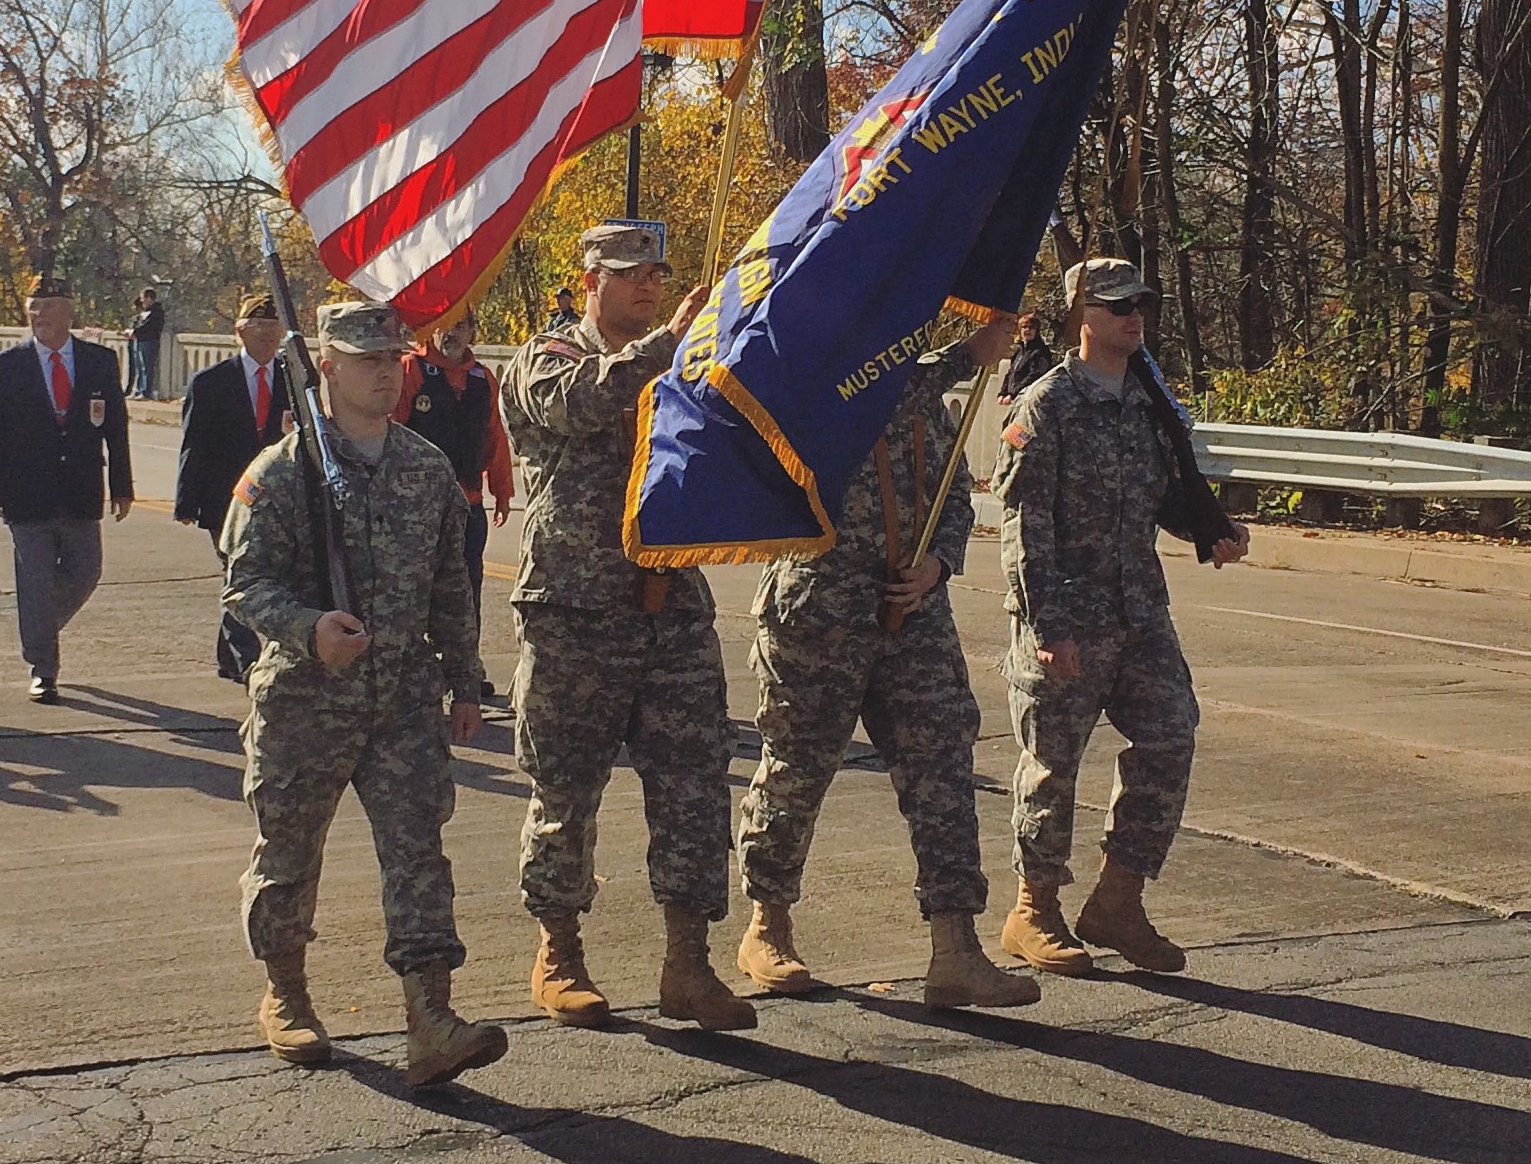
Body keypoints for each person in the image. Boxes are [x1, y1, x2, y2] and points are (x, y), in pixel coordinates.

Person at [224, 300, 506, 1088]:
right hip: (306, 698)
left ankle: (431, 1018)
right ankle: (285, 992)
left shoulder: (423, 468)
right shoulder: (280, 473)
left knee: (419, 854)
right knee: (288, 853)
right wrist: (309, 625)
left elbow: (454, 584)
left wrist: (463, 678)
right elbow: (243, 585)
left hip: (403, 699)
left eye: (392, 358)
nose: (384, 372)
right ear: (326, 366)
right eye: (365, 359)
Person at [733, 315, 1040, 1010]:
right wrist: (965, 353)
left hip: (914, 618)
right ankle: (767, 924)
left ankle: (954, 947)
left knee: (941, 770)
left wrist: (937, 563)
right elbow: (871, 396)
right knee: (796, 771)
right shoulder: (816, 390)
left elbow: (955, 498)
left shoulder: (927, 407)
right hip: (818, 611)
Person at [501, 224, 754, 1033]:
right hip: (575, 612)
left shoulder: (682, 361)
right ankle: (559, 950)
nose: (645, 287)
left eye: (656, 275)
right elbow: (582, 404)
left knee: (691, 787)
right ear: (589, 280)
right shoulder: (545, 358)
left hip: (671, 604)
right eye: (629, 274)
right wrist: (666, 344)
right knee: (566, 789)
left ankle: (687, 960)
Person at [996, 257, 1251, 977]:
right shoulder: (1043, 407)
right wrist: (1045, 626)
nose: (1131, 316)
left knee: (1171, 733)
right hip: (1066, 614)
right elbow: (1022, 528)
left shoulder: (1148, 402)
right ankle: (1032, 908)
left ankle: (1116, 900)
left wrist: (1211, 530)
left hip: (1139, 609)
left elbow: (1162, 495)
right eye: (1115, 306)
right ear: (1080, 315)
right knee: (1051, 767)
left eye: (1139, 302)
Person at [0, 273, 133, 702]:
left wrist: (122, 485)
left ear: (69, 310)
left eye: (48, 305)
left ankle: (36, 628)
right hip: (25, 496)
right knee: (37, 581)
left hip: (81, 491)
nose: (39, 314)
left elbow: (116, 428)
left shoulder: (100, 361)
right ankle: (43, 667)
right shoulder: (7, 367)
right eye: (33, 306)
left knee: (86, 572)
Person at [395, 310, 513, 700]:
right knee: (415, 590)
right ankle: (414, 671)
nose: (453, 333)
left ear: (473, 332)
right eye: (445, 325)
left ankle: (466, 670)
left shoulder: (482, 378)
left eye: (461, 325)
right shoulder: (410, 369)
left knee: (466, 589)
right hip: (416, 507)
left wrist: (503, 490)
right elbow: (391, 431)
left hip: (468, 504)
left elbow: (494, 435)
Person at [175, 292, 292, 682]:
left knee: (254, 573)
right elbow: (194, 444)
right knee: (238, 570)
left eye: (273, 328)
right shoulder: (210, 383)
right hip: (224, 499)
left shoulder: (292, 378)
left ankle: (228, 655)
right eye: (258, 327)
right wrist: (187, 501)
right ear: (240, 332)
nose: (266, 335)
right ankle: (247, 660)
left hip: (276, 498)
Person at [998, 312, 1058, 405]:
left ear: (1036, 330)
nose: (1027, 330)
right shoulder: (1019, 351)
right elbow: (1011, 373)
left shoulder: (1041, 351)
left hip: (1030, 401)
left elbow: (1035, 376)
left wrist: (1013, 394)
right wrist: (1003, 393)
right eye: (1024, 327)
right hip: (1015, 401)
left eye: (1031, 327)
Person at [130, 288, 166, 400]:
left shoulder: (157, 312)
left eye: (143, 299)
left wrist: (136, 331)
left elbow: (150, 327)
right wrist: (132, 330)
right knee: (139, 367)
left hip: (150, 341)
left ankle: (146, 392)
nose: (142, 302)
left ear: (150, 298)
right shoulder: (143, 312)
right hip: (140, 341)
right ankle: (138, 390)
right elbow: (137, 323)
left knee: (147, 367)